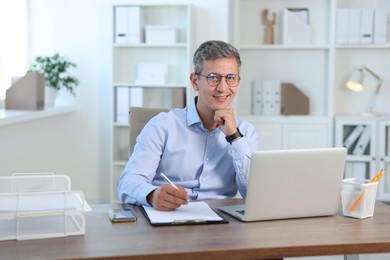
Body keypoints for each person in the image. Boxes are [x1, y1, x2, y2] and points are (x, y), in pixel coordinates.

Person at [117, 40, 258, 211]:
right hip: (169, 218)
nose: (223, 88)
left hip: (223, 221)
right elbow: (128, 183)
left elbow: (253, 194)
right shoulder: (162, 125)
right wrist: (152, 195)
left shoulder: (246, 132)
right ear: (195, 81)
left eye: (230, 78)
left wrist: (234, 137)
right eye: (213, 78)